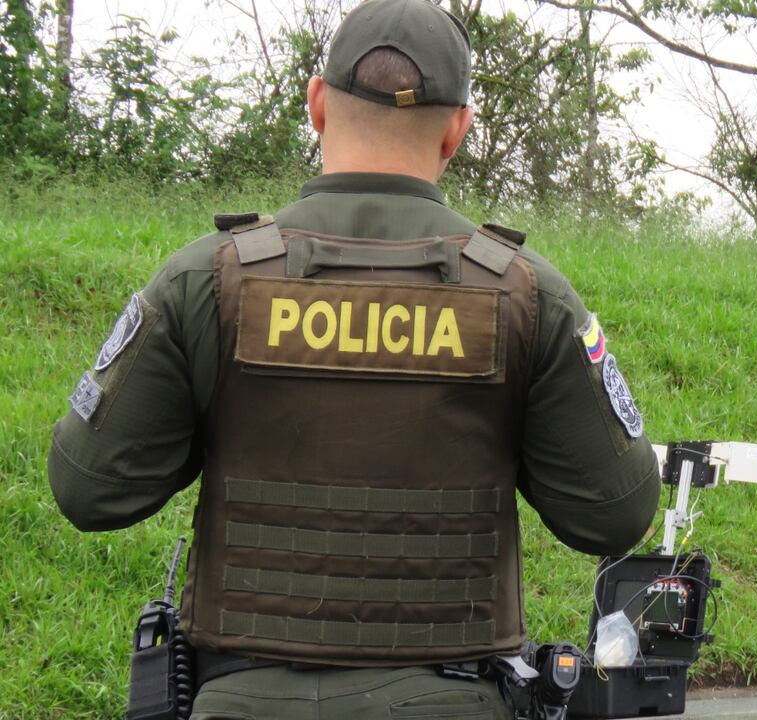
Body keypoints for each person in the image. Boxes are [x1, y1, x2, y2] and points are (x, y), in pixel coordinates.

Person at [46, 1, 661, 716]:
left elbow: (88, 489)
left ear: (316, 104)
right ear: (457, 129)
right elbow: (617, 514)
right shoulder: (528, 296)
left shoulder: (203, 281)